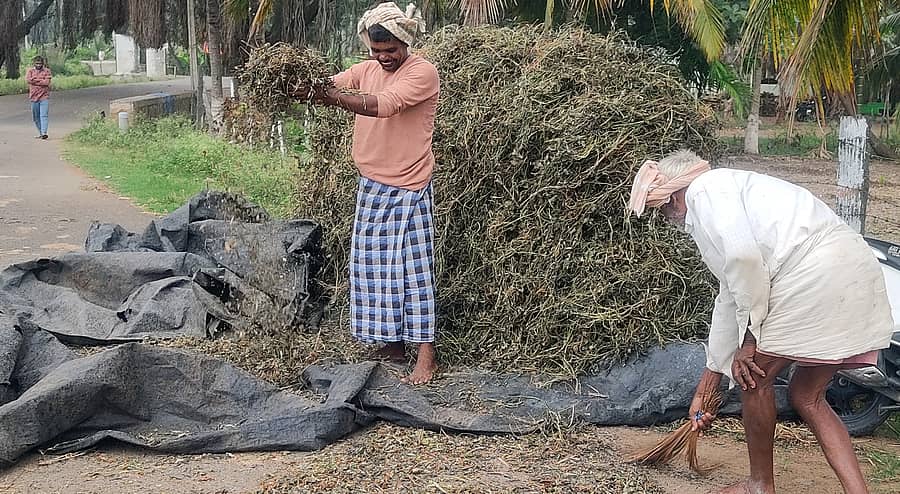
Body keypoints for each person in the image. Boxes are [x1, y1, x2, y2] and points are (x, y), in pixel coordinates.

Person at [628, 149, 894, 494]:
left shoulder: (705, 191)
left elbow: (744, 260)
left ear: (676, 194)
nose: (666, 218)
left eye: (662, 208)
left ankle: (759, 485)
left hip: (814, 273)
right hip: (851, 266)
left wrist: (750, 341)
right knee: (806, 395)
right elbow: (729, 294)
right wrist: (708, 385)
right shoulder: (727, 191)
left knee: (753, 379)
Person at [311, 2, 439, 384]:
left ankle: (426, 355)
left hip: (409, 186)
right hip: (372, 183)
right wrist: (307, 86)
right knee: (373, 270)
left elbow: (384, 106)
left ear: (405, 42)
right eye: (376, 51)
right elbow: (333, 82)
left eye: (391, 51)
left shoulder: (423, 72)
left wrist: (330, 96)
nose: (383, 58)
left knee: (413, 272)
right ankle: (392, 343)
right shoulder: (366, 69)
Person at [26, 56, 52, 140]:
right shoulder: (30, 71)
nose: (38, 65)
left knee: (43, 115)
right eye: (37, 63)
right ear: (34, 63)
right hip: (34, 97)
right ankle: (41, 133)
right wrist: (41, 80)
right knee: (36, 117)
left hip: (44, 97)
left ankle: (44, 132)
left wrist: (35, 80)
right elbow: (29, 80)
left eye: (40, 63)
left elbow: (46, 83)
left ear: (43, 63)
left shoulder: (47, 71)